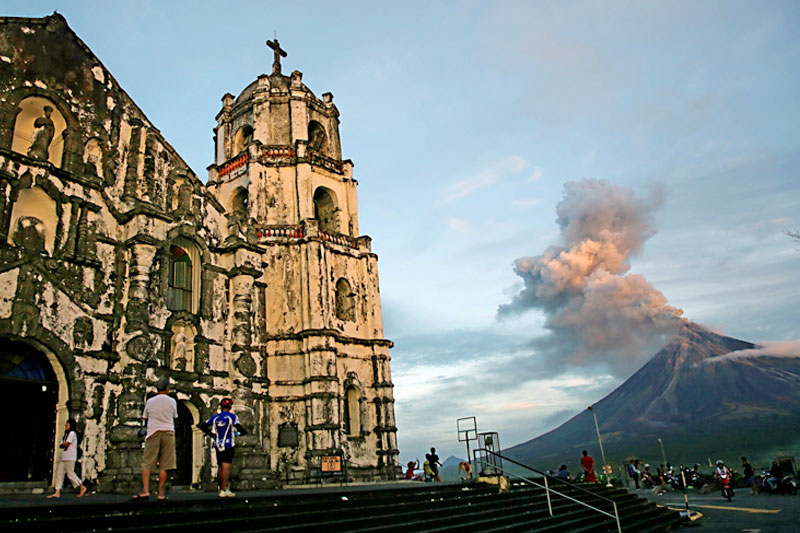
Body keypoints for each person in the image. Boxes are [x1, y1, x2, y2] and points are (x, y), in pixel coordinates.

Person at [133, 377, 178, 501]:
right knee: (165, 464)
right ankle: (161, 493)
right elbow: (174, 416)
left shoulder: (150, 401)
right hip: (168, 431)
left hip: (153, 431)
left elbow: (145, 417)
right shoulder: (172, 401)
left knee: (147, 462)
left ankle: (146, 490)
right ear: (167, 388)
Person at [198, 397, 248, 497]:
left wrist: (212, 435)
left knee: (220, 466)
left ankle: (221, 488)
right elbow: (241, 429)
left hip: (217, 443)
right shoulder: (232, 417)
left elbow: (202, 426)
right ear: (230, 407)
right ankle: (224, 489)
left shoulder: (215, 417)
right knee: (226, 467)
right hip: (228, 444)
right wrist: (238, 433)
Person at [47, 419, 87, 498]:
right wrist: (63, 444)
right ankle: (57, 491)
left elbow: (66, 444)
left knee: (70, 474)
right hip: (64, 457)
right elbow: (61, 444)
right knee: (59, 474)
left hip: (70, 457)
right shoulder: (66, 435)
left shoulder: (72, 433)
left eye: (67, 424)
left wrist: (63, 444)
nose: (66, 426)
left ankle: (82, 486)